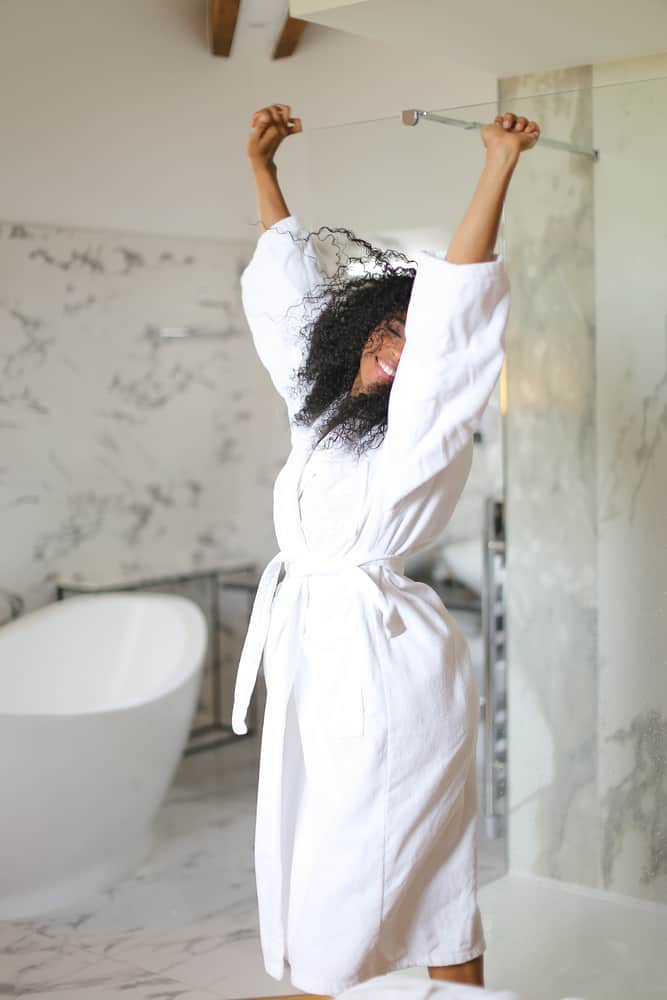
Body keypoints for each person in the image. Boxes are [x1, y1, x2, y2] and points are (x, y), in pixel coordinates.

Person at [232, 103, 540, 997]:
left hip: (382, 668)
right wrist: (264, 167)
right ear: (356, 334)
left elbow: (459, 313)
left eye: (418, 336)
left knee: (362, 859)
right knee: (388, 861)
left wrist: (496, 165)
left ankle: (323, 986)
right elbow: (285, 301)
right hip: (323, 656)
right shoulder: (320, 413)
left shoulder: (421, 435)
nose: (403, 353)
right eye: (387, 332)